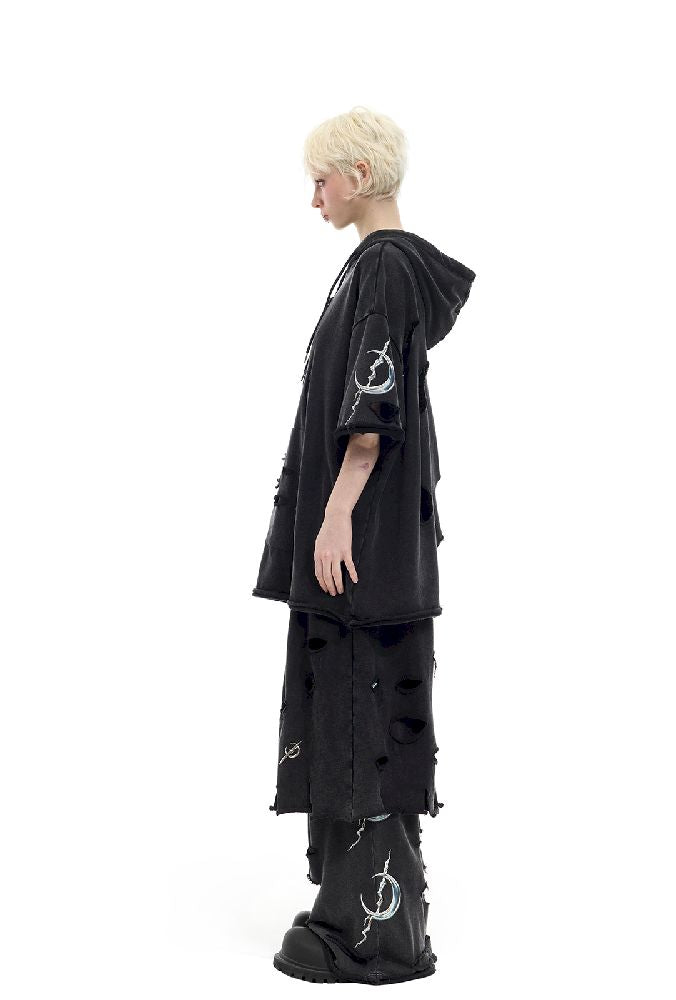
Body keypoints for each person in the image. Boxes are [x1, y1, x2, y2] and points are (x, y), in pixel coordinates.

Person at [251, 106, 476, 985]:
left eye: (321, 181)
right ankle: (370, 912)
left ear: (360, 174)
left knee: (357, 713)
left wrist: (336, 514)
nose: (314, 198)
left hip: (362, 552)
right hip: (383, 551)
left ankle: (371, 936)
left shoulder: (383, 266)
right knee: (365, 709)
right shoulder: (381, 266)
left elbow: (370, 415)